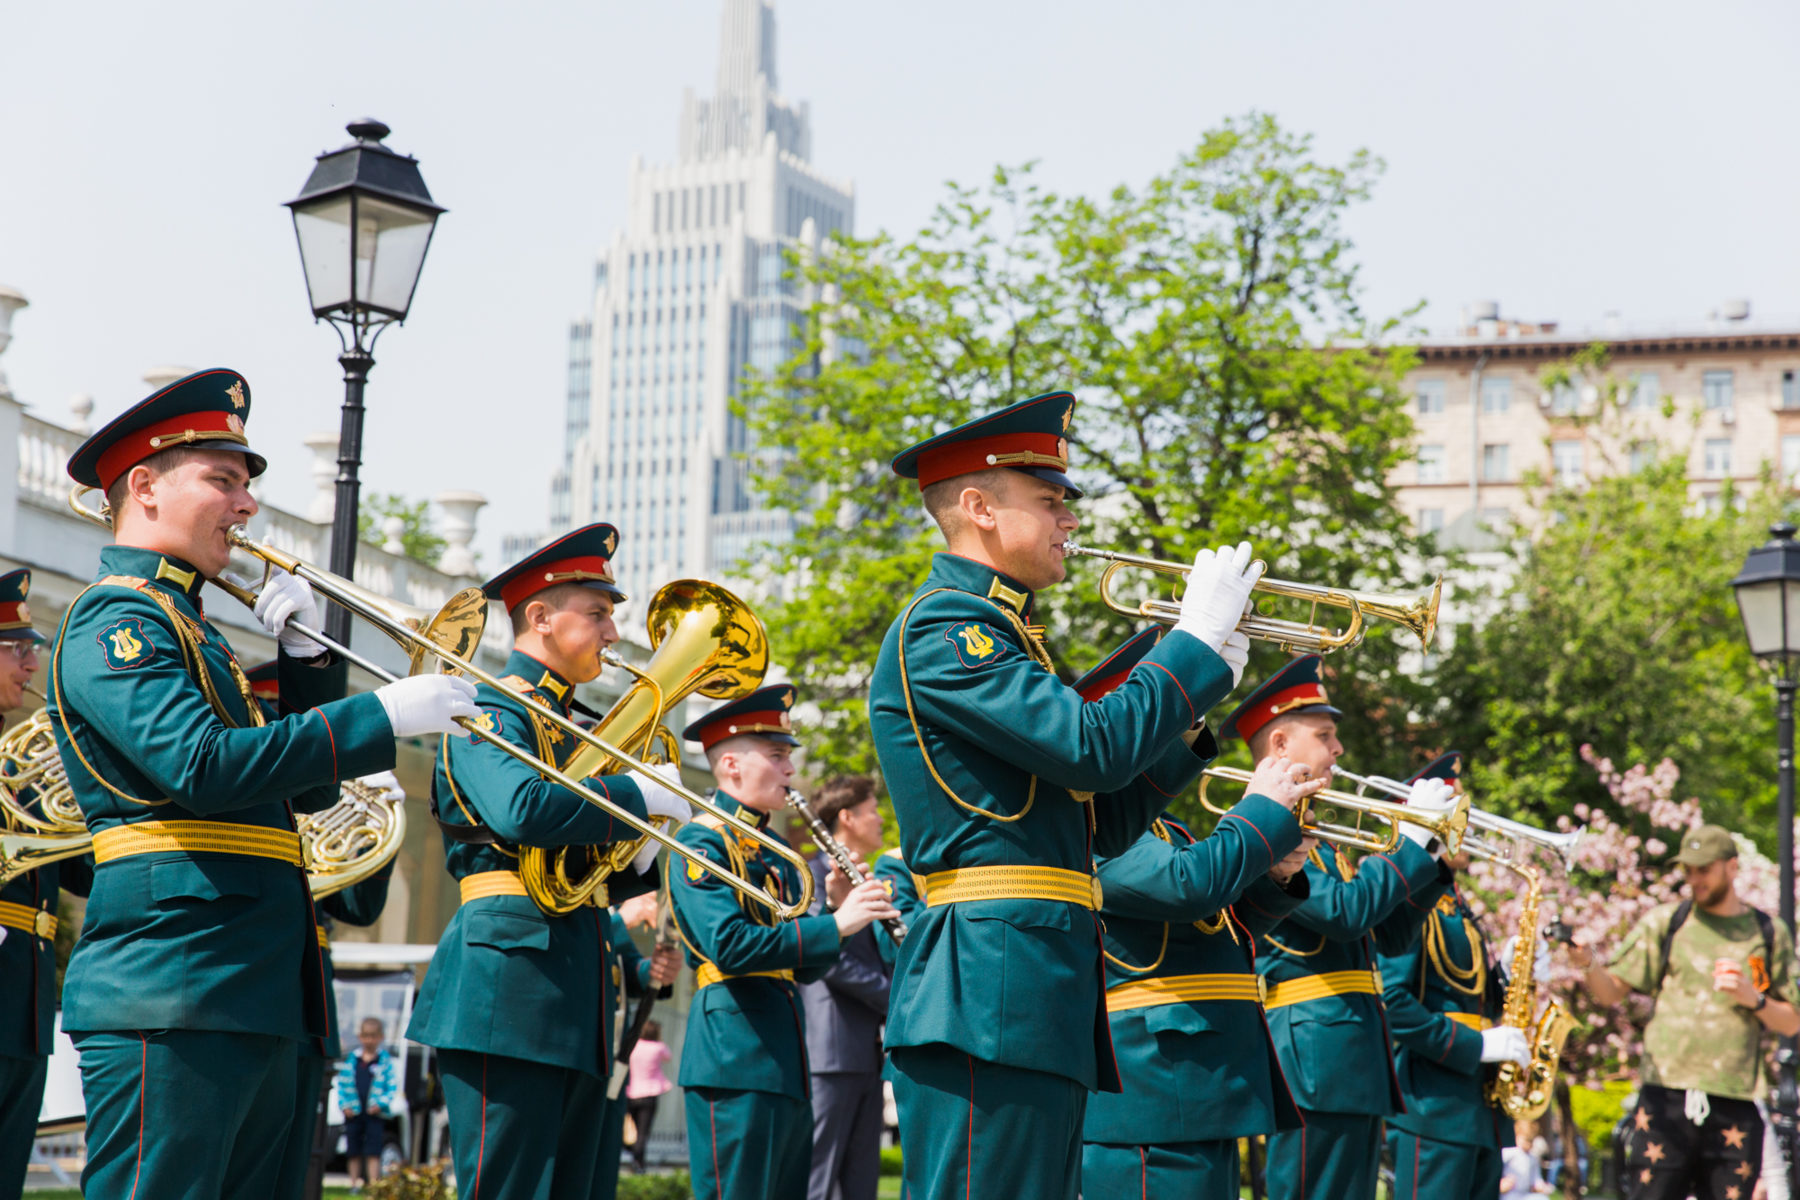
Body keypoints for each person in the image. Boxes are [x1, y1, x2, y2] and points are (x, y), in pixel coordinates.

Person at [49, 368, 479, 1200]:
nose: (246, 507)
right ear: (142, 486)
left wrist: (312, 668)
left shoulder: (193, 631)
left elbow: (308, 800)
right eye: (224, 480)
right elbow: (202, 770)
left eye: (245, 486)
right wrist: (379, 719)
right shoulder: (118, 618)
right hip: (175, 984)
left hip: (251, 987)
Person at [868, 391, 1258, 1200]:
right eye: (1049, 503)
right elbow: (1091, 748)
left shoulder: (1006, 637)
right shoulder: (949, 629)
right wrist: (1187, 648)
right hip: (988, 983)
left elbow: (1100, 820)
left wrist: (1197, 701)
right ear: (977, 507)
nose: (1068, 522)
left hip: (1028, 984)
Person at [406, 523, 693, 1200]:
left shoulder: (581, 726)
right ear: (539, 616)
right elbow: (522, 810)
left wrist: (644, 846)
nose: (613, 634)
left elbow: (600, 866)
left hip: (581, 987)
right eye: (597, 615)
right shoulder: (481, 705)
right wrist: (631, 794)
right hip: (506, 985)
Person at [1074, 628, 1322, 1199]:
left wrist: (1277, 874)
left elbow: (1221, 931)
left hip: (1197, 1085)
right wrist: (1258, 815)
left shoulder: (1161, 827)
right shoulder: (1094, 832)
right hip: (1152, 1091)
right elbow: (1190, 888)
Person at [1225, 655, 1460, 1200]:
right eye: (1326, 735)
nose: (1339, 750)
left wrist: (1430, 865)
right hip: (1316, 1053)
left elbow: (1390, 936)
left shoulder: (1322, 838)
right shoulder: (1267, 830)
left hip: (1351, 1053)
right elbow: (1345, 913)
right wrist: (1409, 842)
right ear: (1280, 745)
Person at [670, 683, 899, 1200]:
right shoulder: (702, 838)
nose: (791, 771)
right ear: (731, 766)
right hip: (734, 1051)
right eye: (777, 756)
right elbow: (729, 945)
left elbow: (802, 968)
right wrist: (836, 927)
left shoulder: (773, 847)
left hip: (784, 1052)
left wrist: (835, 909)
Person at [242, 659, 406, 1200]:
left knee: (292, 1173)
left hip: (310, 992)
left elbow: (359, 907)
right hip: (256, 975)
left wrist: (382, 827)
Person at [1571, 823, 1800, 1200]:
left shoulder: (1767, 932)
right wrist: (1587, 962)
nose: (1694, 879)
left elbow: (1790, 1020)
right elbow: (1611, 992)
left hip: (1735, 1097)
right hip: (1666, 1097)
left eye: (1704, 869)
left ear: (1731, 867)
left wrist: (1752, 997)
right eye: (1688, 870)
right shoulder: (1666, 923)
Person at [1377, 752, 1533, 1199]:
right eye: (1459, 814)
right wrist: (1475, 1045)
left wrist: (1505, 975)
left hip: (1476, 1108)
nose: (1470, 827)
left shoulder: (1455, 901)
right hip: (1433, 1104)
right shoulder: (1409, 897)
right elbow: (1394, 1003)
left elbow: (1466, 995)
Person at [0, 567, 93, 1198]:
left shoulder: (28, 759)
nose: (33, 666)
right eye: (18, 650)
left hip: (24, 998)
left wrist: (95, 771)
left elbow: (84, 873)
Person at [801, 774, 893, 1200]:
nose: (880, 819)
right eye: (873, 810)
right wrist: (896, 997)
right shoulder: (813, 874)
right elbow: (829, 963)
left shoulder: (866, 877)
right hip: (832, 1050)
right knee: (819, 1179)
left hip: (864, 1050)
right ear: (847, 817)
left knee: (861, 1184)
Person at [597, 899, 679, 1200]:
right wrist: (622, 919)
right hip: (575, 1056)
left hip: (612, 1061)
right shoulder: (609, 912)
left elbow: (628, 966)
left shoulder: (607, 904)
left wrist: (655, 969)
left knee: (599, 1179)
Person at [334, 1016, 400, 1188]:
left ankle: (373, 1185)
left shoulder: (384, 1062)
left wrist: (381, 1104)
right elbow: (342, 1085)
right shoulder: (352, 1060)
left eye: (373, 1036)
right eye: (366, 1036)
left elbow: (392, 1088)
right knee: (353, 1151)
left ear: (381, 1038)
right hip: (354, 1113)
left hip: (374, 1113)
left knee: (374, 1152)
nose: (369, 1040)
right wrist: (344, 1105)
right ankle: (354, 1185)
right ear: (360, 1037)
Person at [625, 1018, 673, 1174]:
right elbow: (668, 1057)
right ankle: (638, 1162)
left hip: (631, 1092)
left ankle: (637, 1159)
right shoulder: (658, 1047)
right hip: (649, 1094)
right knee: (643, 1132)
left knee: (630, 1130)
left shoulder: (635, 1046)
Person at [1500, 1119, 1552, 1198]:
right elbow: (1498, 1168)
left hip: (1524, 1193)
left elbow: (1536, 1178)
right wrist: (1501, 1182)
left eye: (1531, 1141)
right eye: (1526, 1140)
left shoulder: (1533, 1157)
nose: (1529, 1144)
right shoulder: (1510, 1152)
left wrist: (1540, 1186)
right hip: (1510, 1192)